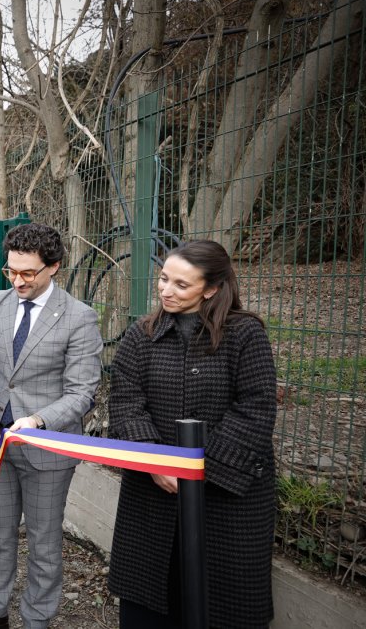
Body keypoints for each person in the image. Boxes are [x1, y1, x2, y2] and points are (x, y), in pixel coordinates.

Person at [107, 240, 277, 628]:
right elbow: (126, 402)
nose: (166, 290)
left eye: (181, 284)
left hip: (226, 500)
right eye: (164, 279)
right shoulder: (141, 335)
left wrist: (199, 468)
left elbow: (256, 408)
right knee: (150, 601)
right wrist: (153, 461)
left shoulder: (244, 334)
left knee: (222, 603)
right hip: (153, 494)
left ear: (212, 288)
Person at [0, 223, 102, 629]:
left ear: (53, 267)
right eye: (11, 271)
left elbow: (82, 392)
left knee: (44, 541)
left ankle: (37, 618)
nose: (17, 281)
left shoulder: (79, 318)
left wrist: (38, 420)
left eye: (27, 273)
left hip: (48, 449)